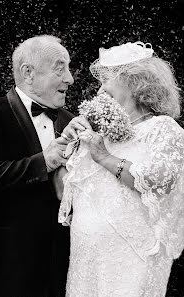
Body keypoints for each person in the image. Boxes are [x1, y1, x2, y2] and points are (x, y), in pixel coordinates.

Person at [59, 41, 184, 297]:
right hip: (86, 260)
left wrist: (103, 157)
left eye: (107, 80)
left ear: (133, 81)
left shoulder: (163, 128)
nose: (101, 89)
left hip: (132, 257)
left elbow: (160, 182)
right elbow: (64, 194)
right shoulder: (100, 134)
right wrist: (65, 148)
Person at [0, 35, 75, 297]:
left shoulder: (72, 121)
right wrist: (44, 162)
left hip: (61, 270)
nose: (70, 78)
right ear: (28, 73)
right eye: (61, 68)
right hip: (4, 269)